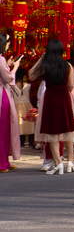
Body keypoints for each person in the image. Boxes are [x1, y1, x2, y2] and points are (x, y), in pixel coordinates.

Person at [30, 39, 74, 175]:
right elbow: (71, 85)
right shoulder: (67, 65)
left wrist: (41, 58)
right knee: (68, 130)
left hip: (50, 98)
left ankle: (58, 164)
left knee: (53, 133)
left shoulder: (45, 66)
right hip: (64, 97)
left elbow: (31, 75)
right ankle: (71, 162)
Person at [0, 35, 22, 173]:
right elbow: (8, 78)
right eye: (8, 43)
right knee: (4, 129)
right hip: (2, 96)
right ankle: (2, 163)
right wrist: (14, 68)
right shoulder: (0, 59)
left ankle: (5, 161)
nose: (8, 45)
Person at [14, 68, 31, 149]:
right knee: (26, 123)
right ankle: (26, 141)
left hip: (16, 106)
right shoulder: (28, 86)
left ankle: (17, 141)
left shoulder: (13, 86)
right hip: (27, 106)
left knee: (16, 123)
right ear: (24, 76)